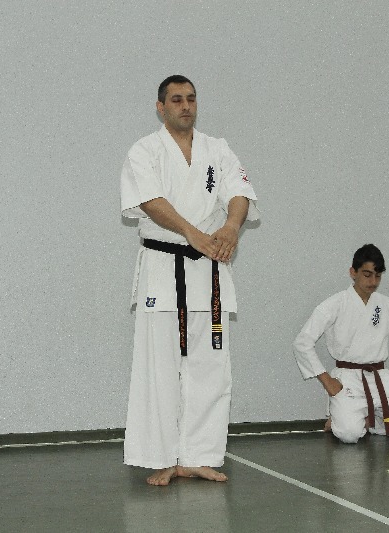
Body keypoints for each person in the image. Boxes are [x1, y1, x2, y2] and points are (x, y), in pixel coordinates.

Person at [120, 75, 260, 485]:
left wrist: (231, 227)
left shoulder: (218, 148)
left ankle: (198, 455)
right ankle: (162, 457)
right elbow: (150, 201)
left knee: (210, 368)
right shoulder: (144, 150)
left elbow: (239, 193)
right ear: (160, 107)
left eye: (191, 99)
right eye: (177, 99)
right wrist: (192, 233)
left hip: (210, 270)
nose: (186, 106)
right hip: (164, 270)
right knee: (159, 368)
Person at [292, 244, 389, 443]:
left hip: (381, 378)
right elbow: (302, 342)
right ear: (353, 272)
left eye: (378, 276)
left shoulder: (388, 305)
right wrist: (328, 382)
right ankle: (349, 420)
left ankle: (370, 420)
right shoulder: (334, 304)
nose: (373, 282)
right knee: (349, 435)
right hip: (347, 379)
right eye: (367, 275)